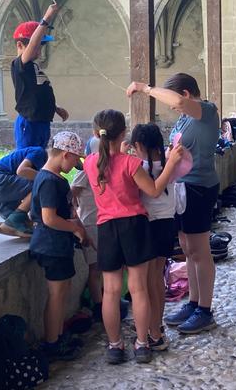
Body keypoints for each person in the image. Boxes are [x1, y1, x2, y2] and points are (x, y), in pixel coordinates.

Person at [83, 109, 184, 365]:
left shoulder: (90, 163)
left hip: (106, 227)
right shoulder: (131, 163)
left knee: (111, 291)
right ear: (124, 133)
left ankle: (115, 345)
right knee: (138, 289)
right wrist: (170, 163)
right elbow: (153, 189)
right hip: (134, 225)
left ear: (96, 134)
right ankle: (141, 343)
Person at [126, 74, 220, 335]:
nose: (174, 108)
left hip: (200, 187)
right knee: (188, 249)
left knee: (200, 250)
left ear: (187, 95)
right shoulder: (185, 117)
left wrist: (144, 88)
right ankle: (193, 302)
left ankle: (205, 309)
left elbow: (176, 100)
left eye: (177, 103)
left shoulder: (207, 111)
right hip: (182, 188)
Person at [28, 131, 89, 362]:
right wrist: (74, 229)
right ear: (65, 155)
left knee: (61, 293)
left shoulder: (56, 180)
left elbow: (68, 213)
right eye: (75, 159)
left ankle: (58, 335)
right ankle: (52, 343)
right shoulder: (48, 181)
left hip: (58, 245)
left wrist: (80, 228)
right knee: (56, 295)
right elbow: (49, 218)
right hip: (50, 244)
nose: (77, 164)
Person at [128, 123, 179, 351]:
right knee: (157, 279)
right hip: (168, 223)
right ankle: (156, 324)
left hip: (148, 225)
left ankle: (153, 332)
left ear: (138, 145)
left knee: (146, 283)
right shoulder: (170, 163)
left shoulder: (139, 167)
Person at [11, 0, 69, 149]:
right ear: (20, 45)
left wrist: (55, 108)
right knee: (27, 159)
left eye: (41, 46)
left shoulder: (34, 67)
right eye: (37, 46)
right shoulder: (20, 64)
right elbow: (32, 45)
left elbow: (38, 92)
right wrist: (47, 17)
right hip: (29, 122)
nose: (39, 50)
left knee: (40, 157)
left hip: (42, 121)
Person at [0, 146, 49, 239]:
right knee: (45, 183)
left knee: (23, 229)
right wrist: (49, 178)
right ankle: (18, 215)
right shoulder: (39, 152)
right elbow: (21, 171)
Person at [70, 136, 104, 321]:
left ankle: (102, 299)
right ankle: (98, 305)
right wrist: (73, 211)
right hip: (90, 224)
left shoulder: (103, 168)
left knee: (102, 266)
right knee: (95, 268)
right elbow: (70, 193)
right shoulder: (86, 170)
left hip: (102, 222)